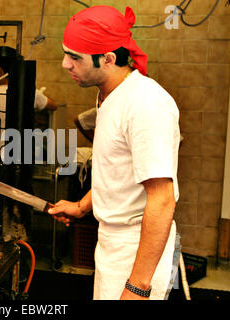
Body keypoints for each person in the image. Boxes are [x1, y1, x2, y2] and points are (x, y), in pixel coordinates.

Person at [48, 5, 181, 300]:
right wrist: (83, 206)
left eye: (75, 57)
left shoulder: (145, 105)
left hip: (136, 247)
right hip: (112, 239)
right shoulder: (110, 95)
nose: (64, 64)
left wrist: (138, 286)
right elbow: (118, 170)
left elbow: (162, 200)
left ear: (108, 59)